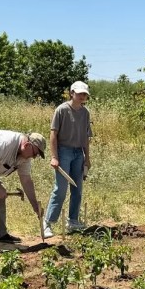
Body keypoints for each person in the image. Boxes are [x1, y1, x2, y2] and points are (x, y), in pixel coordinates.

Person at [43, 80, 92, 238]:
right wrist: (54, 156)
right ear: (72, 93)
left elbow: (85, 137)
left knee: (77, 189)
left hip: (79, 153)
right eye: (79, 93)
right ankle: (47, 223)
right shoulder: (62, 110)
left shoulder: (85, 113)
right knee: (61, 189)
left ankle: (72, 220)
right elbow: (53, 134)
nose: (82, 96)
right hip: (64, 152)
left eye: (84, 94)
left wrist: (87, 158)